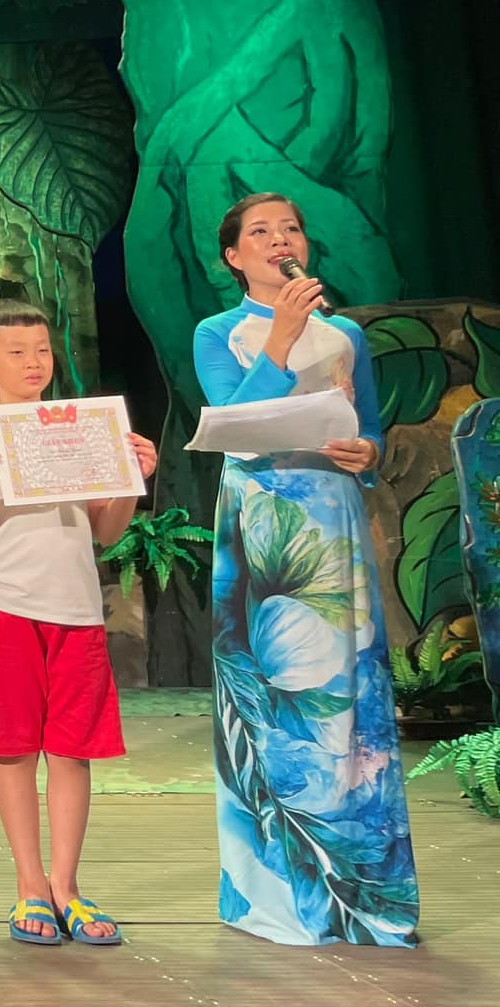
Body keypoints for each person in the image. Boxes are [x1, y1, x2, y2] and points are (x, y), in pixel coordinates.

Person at [193, 193, 419, 947]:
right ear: (234, 257)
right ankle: (279, 893)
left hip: (333, 515)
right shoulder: (217, 332)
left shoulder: (346, 333)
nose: (280, 239)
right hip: (262, 521)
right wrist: (283, 334)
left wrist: (367, 453)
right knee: (277, 690)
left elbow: (370, 428)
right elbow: (235, 427)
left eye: (290, 228)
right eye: (260, 232)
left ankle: (362, 894)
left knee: (348, 689)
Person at [0, 300, 157, 947]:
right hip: (5, 600)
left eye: (41, 349)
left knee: (72, 747)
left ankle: (66, 886)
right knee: (14, 746)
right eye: (16, 352)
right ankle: (29, 885)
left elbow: (106, 531)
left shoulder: (83, 429)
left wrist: (132, 479)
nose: (33, 363)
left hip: (75, 606)